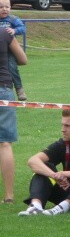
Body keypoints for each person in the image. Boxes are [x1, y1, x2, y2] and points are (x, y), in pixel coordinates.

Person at [0, 20, 28, 204]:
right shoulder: (5, 33)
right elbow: (23, 60)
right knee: (4, 144)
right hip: (3, 89)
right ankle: (9, 195)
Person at [0, 0, 27, 101]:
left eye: (7, 7)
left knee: (12, 67)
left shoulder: (12, 19)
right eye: (1, 7)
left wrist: (14, 31)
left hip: (10, 49)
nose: (4, 9)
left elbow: (22, 28)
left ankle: (19, 89)